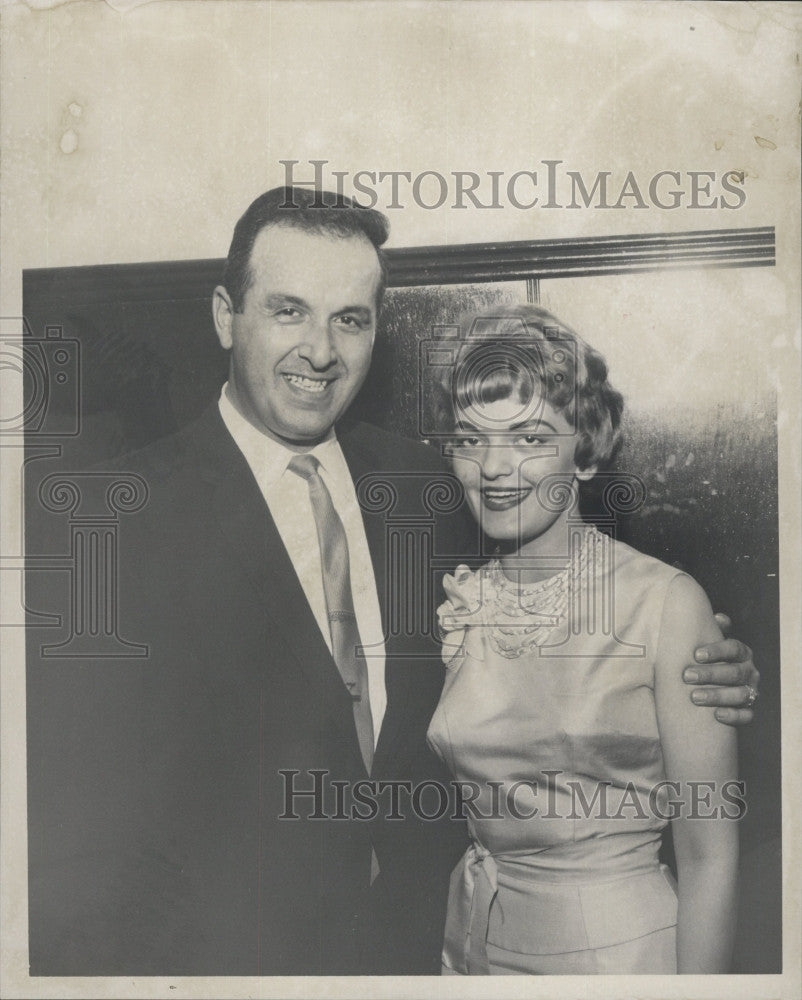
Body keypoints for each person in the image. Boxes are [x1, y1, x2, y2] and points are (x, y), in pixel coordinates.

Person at [26, 188, 759, 977]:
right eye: (288, 311)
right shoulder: (107, 520)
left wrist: (710, 667)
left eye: (350, 317)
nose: (321, 350)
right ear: (222, 315)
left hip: (426, 949)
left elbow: (577, 628)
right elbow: (79, 833)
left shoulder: (426, 486)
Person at [427, 305, 742, 975]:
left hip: (618, 960)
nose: (494, 467)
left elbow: (710, 855)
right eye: (470, 439)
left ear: (587, 447)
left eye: (530, 437)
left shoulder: (663, 603)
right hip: (470, 949)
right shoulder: (460, 600)